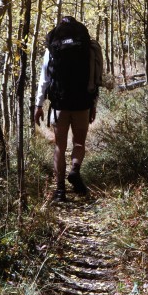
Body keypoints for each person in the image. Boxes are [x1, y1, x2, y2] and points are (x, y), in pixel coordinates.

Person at [34, 16, 102, 202]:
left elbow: (44, 79)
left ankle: (60, 191)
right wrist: (93, 103)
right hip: (82, 103)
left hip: (59, 105)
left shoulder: (53, 50)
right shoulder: (88, 48)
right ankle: (75, 170)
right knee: (79, 142)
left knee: (59, 146)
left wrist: (39, 105)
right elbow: (95, 78)